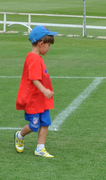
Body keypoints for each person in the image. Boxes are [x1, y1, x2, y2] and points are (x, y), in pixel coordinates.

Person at [14, 26, 58, 157]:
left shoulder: (37, 57)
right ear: (41, 43)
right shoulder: (33, 58)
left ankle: (40, 148)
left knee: (45, 123)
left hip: (41, 100)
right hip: (33, 99)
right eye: (49, 45)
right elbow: (34, 79)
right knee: (34, 125)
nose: (49, 48)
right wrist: (45, 90)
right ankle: (19, 135)